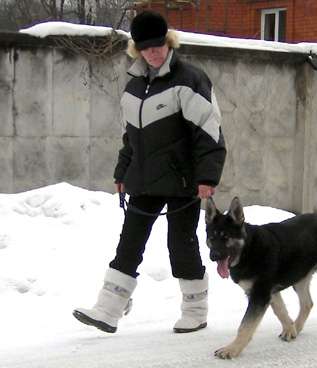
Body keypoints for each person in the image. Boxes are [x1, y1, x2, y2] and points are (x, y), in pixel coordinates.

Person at [73, 10, 226, 334]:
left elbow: (209, 131)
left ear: (168, 43)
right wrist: (122, 172)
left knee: (180, 245)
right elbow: (131, 138)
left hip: (183, 181)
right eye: (147, 47)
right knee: (129, 243)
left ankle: (196, 310)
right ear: (137, 49)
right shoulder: (134, 87)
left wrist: (207, 178)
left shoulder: (190, 78)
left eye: (159, 45)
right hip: (143, 180)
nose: (154, 52)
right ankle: (108, 309)